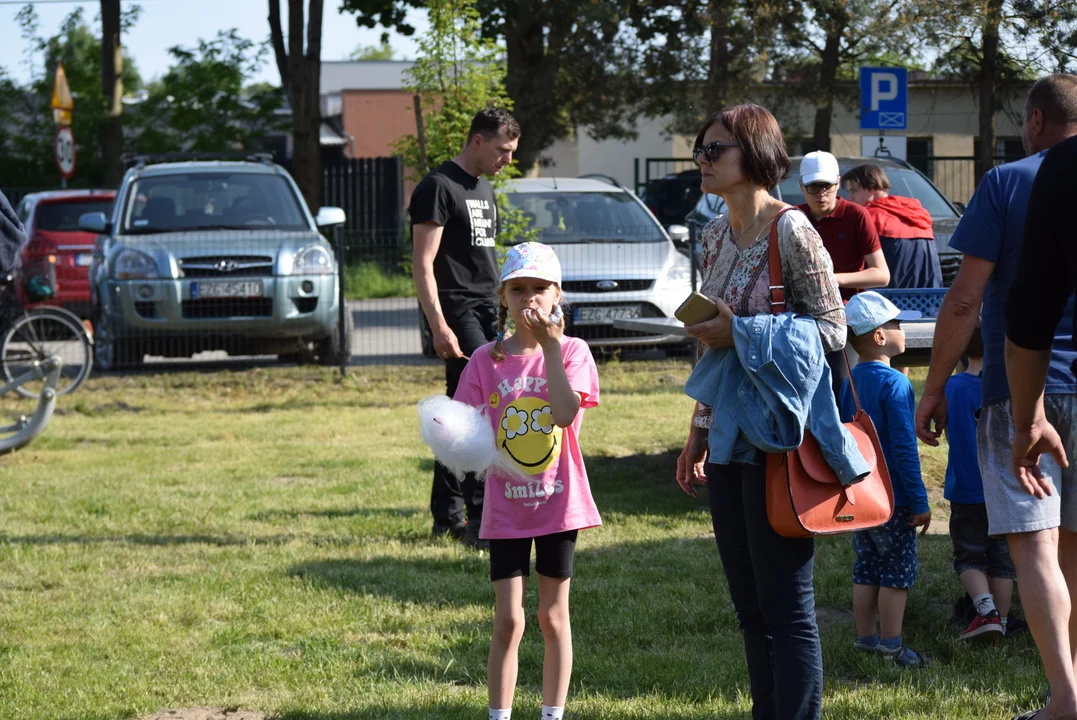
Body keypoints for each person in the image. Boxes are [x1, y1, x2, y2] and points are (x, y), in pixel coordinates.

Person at [914, 73, 1077, 720]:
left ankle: (1063, 698)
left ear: (1034, 120)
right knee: (1071, 545)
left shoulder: (1007, 182)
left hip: (1022, 386)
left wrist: (930, 388)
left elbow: (963, 298)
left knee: (1032, 545)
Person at [677, 104, 846, 720]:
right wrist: (696, 431)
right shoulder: (715, 234)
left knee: (787, 607)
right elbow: (708, 337)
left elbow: (832, 329)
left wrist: (744, 332)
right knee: (749, 607)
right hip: (726, 438)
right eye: (700, 148)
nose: (702, 159)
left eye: (714, 149)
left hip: (779, 439)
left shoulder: (792, 230)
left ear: (755, 155)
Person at [452, 241, 602, 720]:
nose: (530, 298)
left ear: (557, 293)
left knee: (553, 616)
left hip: (559, 502)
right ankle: (500, 715)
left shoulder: (574, 352)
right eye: (518, 289)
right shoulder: (484, 361)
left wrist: (552, 348)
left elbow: (562, 413)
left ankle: (551, 714)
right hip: (506, 506)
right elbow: (463, 433)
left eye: (540, 288)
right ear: (503, 298)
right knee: (508, 620)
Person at [410, 107, 521, 547]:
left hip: (487, 310)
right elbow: (422, 264)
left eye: (511, 151)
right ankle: (474, 519)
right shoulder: (438, 187)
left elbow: (484, 262)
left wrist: (505, 311)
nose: (507, 159)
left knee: (464, 411)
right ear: (477, 140)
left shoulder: (486, 189)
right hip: (456, 311)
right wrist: (439, 325)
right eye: (502, 150)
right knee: (479, 408)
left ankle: (449, 517)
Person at [1004, 129, 1077, 720]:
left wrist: (1027, 416)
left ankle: (1068, 697)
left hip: (1054, 388)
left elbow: (1028, 312)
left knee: (1040, 545)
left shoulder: (1061, 168)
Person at [837, 291, 930, 667]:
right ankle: (892, 646)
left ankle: (866, 640)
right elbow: (905, 449)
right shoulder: (897, 383)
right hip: (894, 497)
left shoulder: (850, 383)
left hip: (863, 493)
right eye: (896, 324)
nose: (902, 330)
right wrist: (920, 502)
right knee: (897, 570)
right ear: (879, 336)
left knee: (866, 566)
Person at [944, 317, 1016, 641]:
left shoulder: (952, 387)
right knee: (1002, 561)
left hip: (965, 490)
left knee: (970, 556)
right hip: (1002, 488)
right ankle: (1001, 622)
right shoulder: (1006, 388)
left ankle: (984, 610)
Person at [797, 151, 889, 396]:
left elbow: (881, 274)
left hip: (846, 317)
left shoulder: (856, 215)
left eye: (826, 186)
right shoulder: (793, 218)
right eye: (813, 187)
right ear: (801, 186)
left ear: (838, 182)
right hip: (800, 318)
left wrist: (833, 279)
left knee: (842, 388)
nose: (821, 194)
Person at [842, 164, 943, 289]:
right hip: (924, 302)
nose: (849, 198)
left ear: (873, 187)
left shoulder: (868, 218)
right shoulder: (919, 216)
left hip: (882, 302)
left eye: (854, 191)